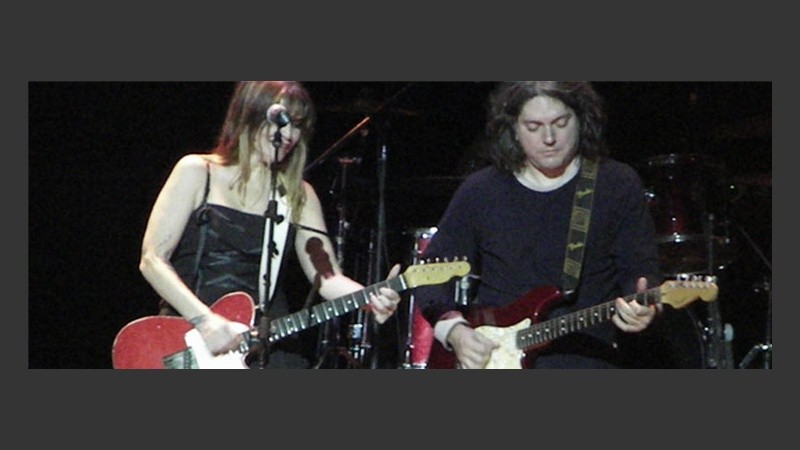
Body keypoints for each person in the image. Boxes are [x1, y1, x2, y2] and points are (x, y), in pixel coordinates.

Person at [139, 81, 402, 369]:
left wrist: (369, 298)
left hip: (266, 344)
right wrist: (204, 320)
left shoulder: (299, 195)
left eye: (297, 126)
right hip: (190, 339)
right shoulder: (198, 172)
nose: (288, 134)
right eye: (281, 120)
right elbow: (152, 259)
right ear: (249, 113)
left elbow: (327, 278)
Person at [415, 81, 663, 369]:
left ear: (581, 120)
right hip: (495, 358)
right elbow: (430, 273)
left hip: (587, 358)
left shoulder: (616, 184)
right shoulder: (481, 190)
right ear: (514, 129)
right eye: (533, 127)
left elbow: (640, 270)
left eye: (561, 123)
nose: (549, 138)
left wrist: (645, 306)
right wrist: (454, 331)